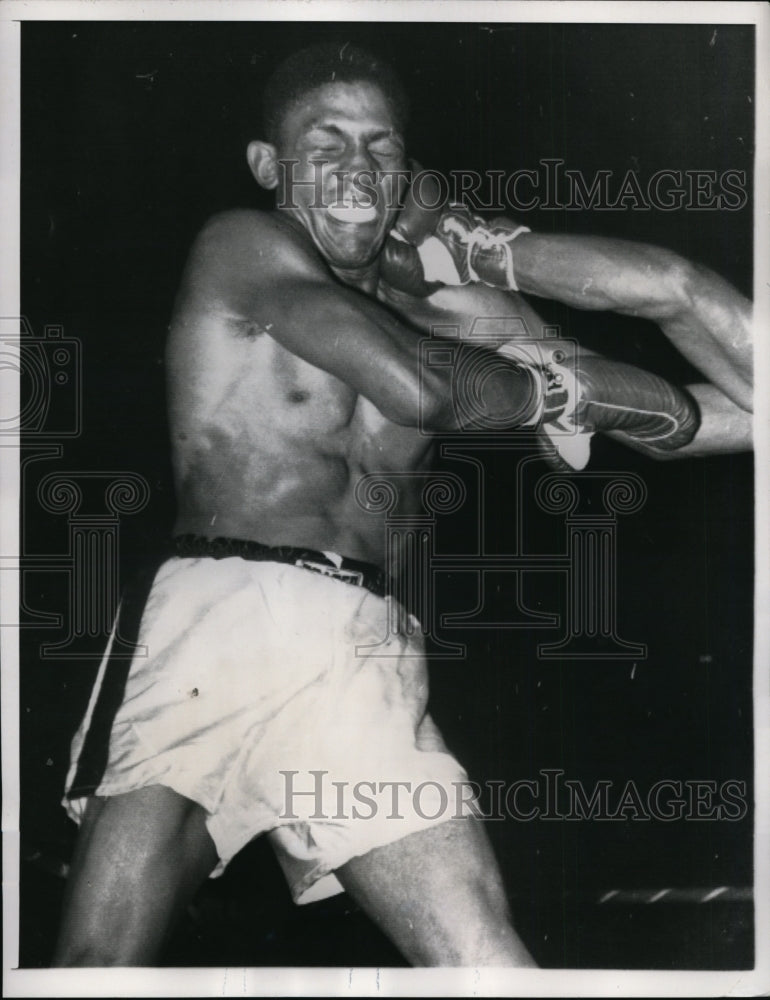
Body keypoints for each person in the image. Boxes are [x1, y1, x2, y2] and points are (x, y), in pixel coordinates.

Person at [53, 42, 753, 968]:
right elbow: (420, 392)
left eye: (381, 147)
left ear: (409, 172)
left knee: (488, 966)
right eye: (327, 141)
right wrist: (552, 383)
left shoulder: (443, 306)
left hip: (365, 644)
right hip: (216, 620)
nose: (357, 166)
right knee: (98, 968)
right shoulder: (240, 246)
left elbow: (736, 399)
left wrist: (498, 253)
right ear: (271, 166)